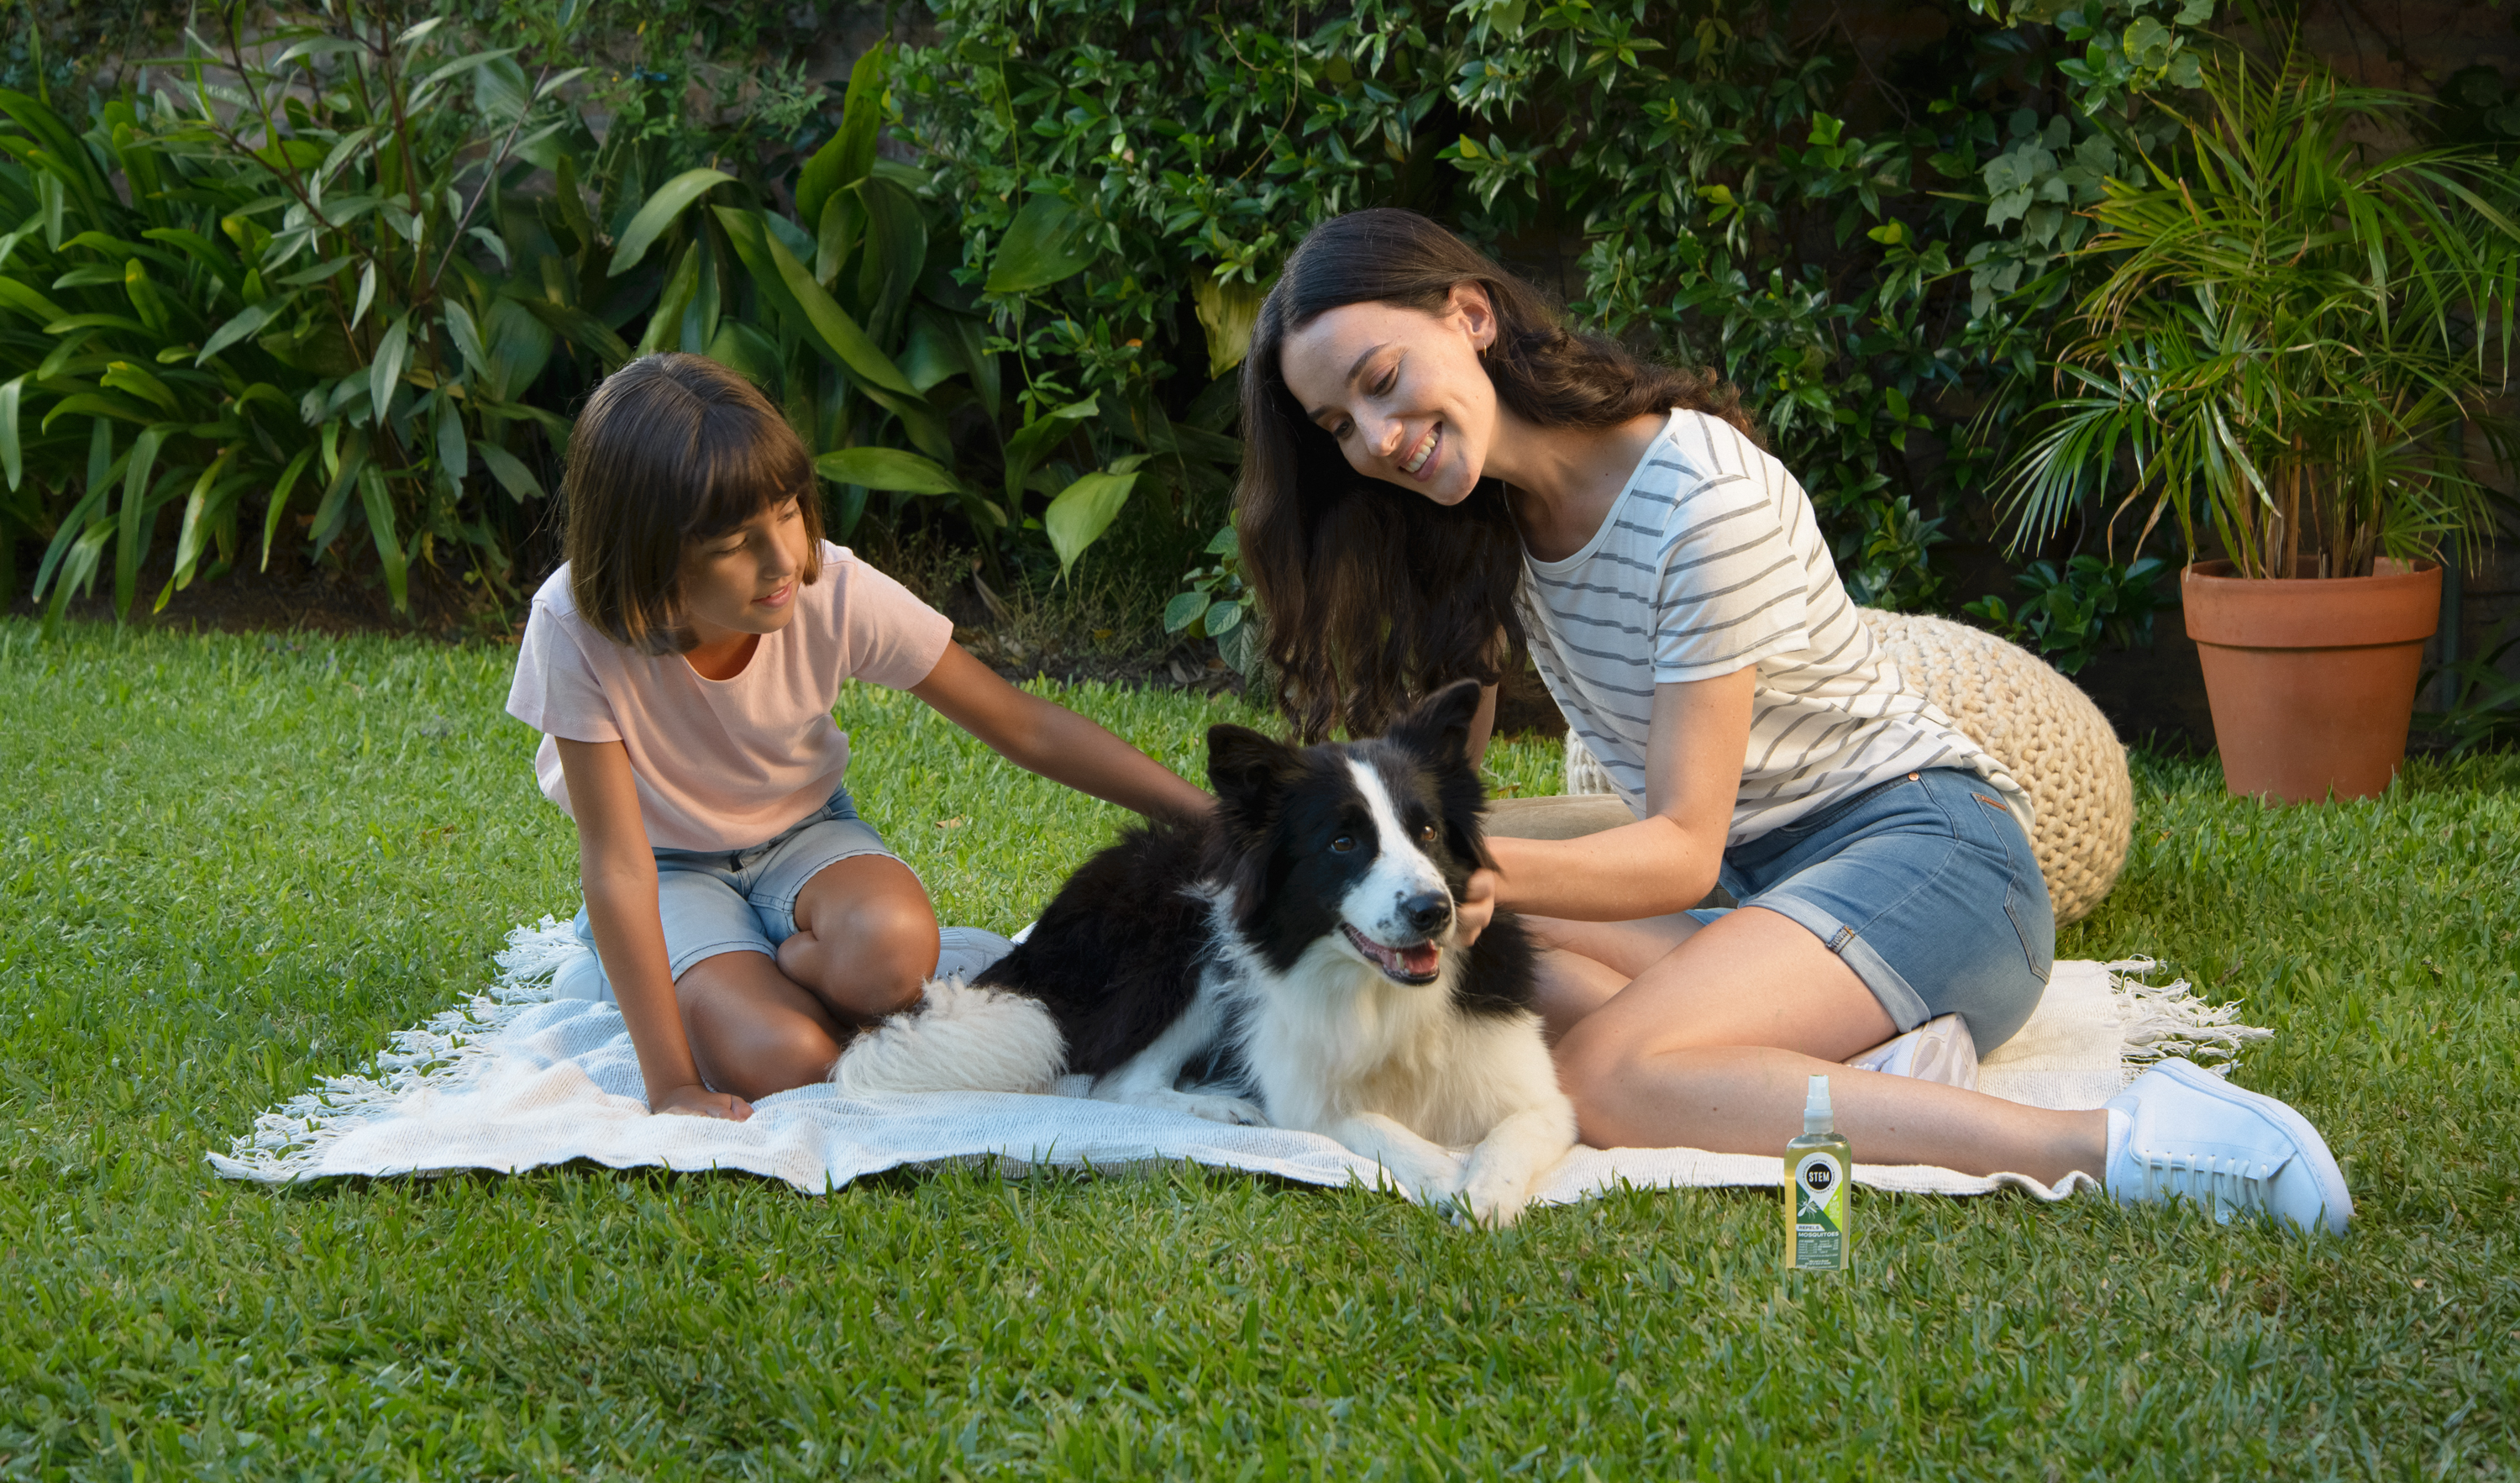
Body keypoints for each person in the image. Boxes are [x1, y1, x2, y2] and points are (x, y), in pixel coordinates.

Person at [1236, 208, 2352, 1233]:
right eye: (1341, 422)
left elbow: (1677, 846)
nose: (1377, 436)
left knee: (1613, 1076)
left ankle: (2113, 1140)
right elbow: (1446, 811)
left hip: (1933, 860)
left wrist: (1478, 873)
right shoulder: (1485, 528)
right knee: (1497, 953)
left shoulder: (1699, 498)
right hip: (1758, 896)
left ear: (1469, 315)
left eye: (1383, 380)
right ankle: (1876, 1064)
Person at [508, 354, 1210, 1120]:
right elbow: (618, 866)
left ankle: (761, 962)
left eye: (788, 509)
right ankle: (664, 972)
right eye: (734, 542)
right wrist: (672, 1083)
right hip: (667, 868)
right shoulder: (575, 626)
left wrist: (1210, 815)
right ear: (648, 553)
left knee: (894, 951)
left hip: (805, 838)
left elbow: (1023, 723)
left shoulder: (828, 586)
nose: (783, 557)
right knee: (791, 1063)